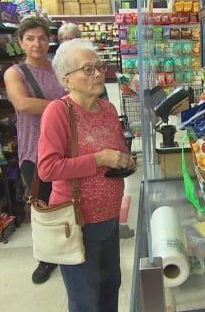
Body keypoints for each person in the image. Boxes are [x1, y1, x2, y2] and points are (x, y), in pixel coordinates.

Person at [37, 39, 134, 312]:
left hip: (110, 216)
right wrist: (99, 159)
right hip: (77, 220)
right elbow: (48, 168)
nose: (99, 74)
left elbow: (117, 148)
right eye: (88, 69)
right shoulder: (58, 112)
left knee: (110, 285)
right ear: (67, 79)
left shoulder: (108, 109)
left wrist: (124, 160)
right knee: (85, 296)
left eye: (100, 67)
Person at [3, 16, 67, 284]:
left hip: (65, 144)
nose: (37, 43)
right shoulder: (15, 73)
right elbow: (23, 103)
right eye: (30, 38)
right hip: (35, 149)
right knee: (42, 204)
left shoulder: (59, 68)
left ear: (49, 39)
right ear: (20, 42)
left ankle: (69, 245)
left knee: (66, 198)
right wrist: (64, 105)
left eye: (42, 37)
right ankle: (46, 258)